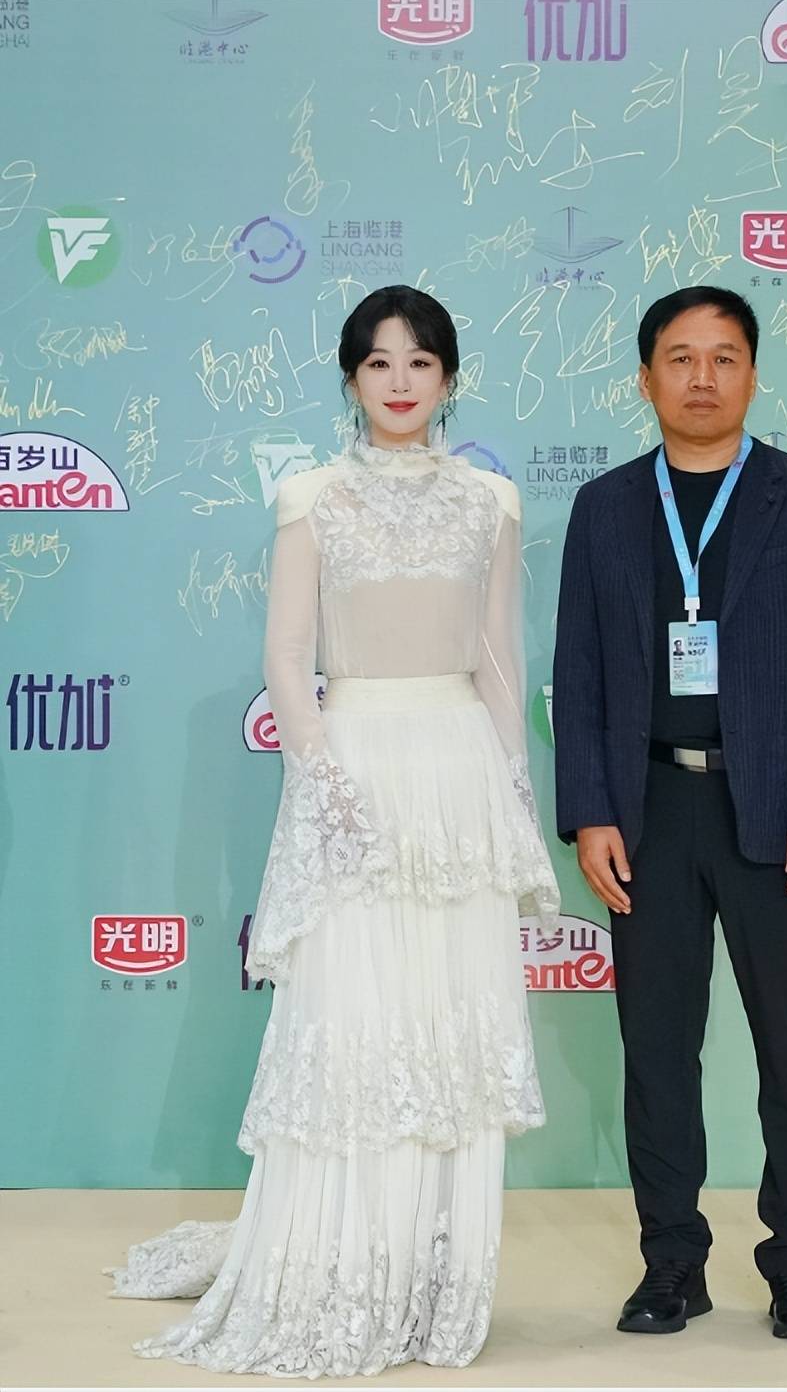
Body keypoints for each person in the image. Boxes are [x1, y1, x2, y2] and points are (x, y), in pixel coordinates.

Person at [104, 285, 560, 1376]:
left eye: (421, 362)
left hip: (457, 778)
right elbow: (286, 657)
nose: (401, 382)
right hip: (353, 766)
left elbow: (497, 659)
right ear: (351, 379)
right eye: (379, 363)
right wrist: (325, 785)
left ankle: (435, 1285)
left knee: (451, 1025)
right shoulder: (309, 496)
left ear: (449, 377)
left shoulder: (492, 500)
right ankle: (340, 1267)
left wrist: (509, 791)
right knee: (356, 1023)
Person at [552, 286, 787, 1341]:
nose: (702, 378)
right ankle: (671, 1263)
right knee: (655, 1050)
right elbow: (579, 674)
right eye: (680, 358)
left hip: (777, 815)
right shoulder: (606, 507)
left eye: (724, 357)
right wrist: (592, 811)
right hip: (648, 811)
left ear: (753, 374)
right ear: (646, 379)